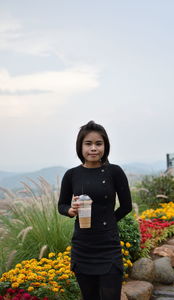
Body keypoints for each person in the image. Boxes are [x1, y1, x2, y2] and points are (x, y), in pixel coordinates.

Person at [58, 120, 132, 300]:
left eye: (98, 144)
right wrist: (71, 211)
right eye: (88, 143)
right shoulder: (72, 175)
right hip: (82, 246)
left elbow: (126, 206)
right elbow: (62, 205)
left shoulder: (114, 172)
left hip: (108, 245)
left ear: (105, 146)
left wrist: (108, 223)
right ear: (80, 146)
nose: (93, 148)